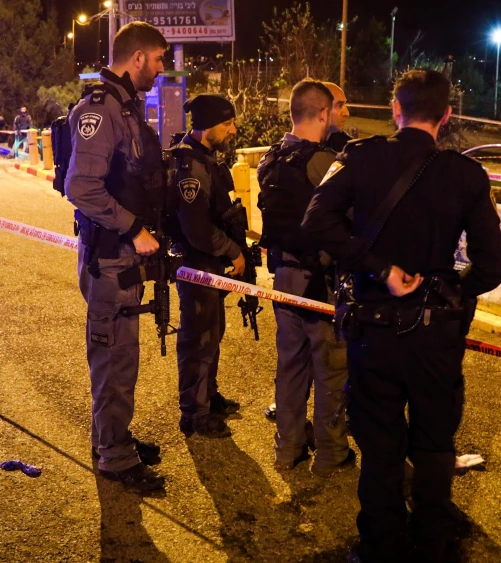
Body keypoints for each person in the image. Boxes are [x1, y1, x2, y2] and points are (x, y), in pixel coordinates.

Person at [302, 69, 501, 562]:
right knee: (435, 442)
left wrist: (379, 268)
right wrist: (450, 287)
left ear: (396, 110)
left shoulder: (360, 156)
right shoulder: (466, 174)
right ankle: (432, 541)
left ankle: (379, 545)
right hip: (436, 335)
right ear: (447, 115)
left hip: (374, 330)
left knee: (379, 444)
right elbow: (493, 266)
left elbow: (316, 222)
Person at [64, 21, 170, 493]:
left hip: (120, 258)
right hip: (110, 257)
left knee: (118, 357)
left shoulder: (123, 107)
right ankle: (114, 456)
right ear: (138, 58)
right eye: (159, 59)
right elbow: (80, 187)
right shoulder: (101, 109)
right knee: (115, 358)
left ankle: (111, 436)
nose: (162, 68)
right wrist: (134, 229)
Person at [256, 79, 353, 475]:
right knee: (330, 367)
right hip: (319, 280)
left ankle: (288, 448)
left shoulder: (271, 158)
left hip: (283, 277)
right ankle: (331, 454)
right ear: (323, 113)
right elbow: (349, 217)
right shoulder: (323, 163)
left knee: (290, 366)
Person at [166, 93, 243, 438]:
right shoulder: (191, 168)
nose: (233, 129)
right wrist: (232, 251)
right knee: (198, 338)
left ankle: (208, 397)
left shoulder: (205, 158)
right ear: (208, 126)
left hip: (210, 268)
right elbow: (197, 231)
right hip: (198, 267)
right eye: (227, 123)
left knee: (213, 333)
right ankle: (194, 413)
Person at [322, 82, 352, 152]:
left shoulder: (347, 148)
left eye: (345, 104)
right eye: (339, 105)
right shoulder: (296, 149)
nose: (347, 113)